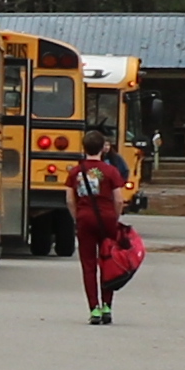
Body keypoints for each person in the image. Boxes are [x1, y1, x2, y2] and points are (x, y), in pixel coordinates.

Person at [68, 131, 143, 325]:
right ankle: (107, 306)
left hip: (85, 219)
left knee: (89, 265)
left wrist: (77, 216)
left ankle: (94, 308)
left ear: (84, 148)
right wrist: (115, 216)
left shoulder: (75, 172)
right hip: (107, 219)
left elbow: (69, 199)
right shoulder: (111, 171)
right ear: (103, 148)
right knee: (108, 261)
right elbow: (119, 199)